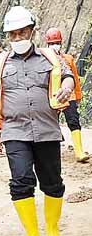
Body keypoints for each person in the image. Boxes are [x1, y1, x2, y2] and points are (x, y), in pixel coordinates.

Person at [0, 6, 75, 236]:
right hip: (14, 131)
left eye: (21, 32)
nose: (17, 38)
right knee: (21, 181)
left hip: (47, 130)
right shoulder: (1, 62)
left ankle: (53, 230)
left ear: (32, 31)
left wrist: (67, 89)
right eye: (12, 35)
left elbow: (68, 77)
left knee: (52, 181)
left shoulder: (49, 58)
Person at [45, 28, 89, 163]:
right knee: (52, 123)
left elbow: (74, 78)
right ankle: (53, 151)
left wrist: (78, 96)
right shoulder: (45, 60)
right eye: (52, 43)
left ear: (61, 43)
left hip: (69, 96)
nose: (55, 45)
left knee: (73, 121)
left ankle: (79, 151)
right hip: (54, 97)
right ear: (47, 44)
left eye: (57, 42)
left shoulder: (68, 59)